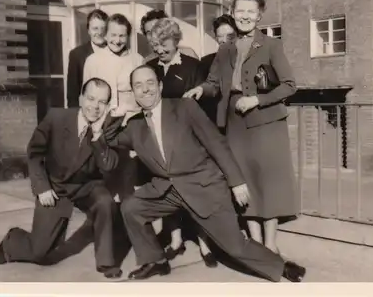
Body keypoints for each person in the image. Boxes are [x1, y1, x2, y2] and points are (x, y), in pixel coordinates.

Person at [103, 65, 305, 282]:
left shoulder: (184, 107)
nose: (145, 90)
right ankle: (155, 261)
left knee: (234, 247)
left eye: (150, 83)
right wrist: (117, 114)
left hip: (204, 185)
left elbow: (216, 143)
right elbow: (111, 138)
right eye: (138, 86)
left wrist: (236, 182)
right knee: (131, 207)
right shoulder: (135, 126)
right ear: (132, 92)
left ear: (160, 86)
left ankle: (280, 265)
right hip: (168, 189)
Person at [184, 0, 299, 255]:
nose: (245, 16)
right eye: (240, 10)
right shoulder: (225, 49)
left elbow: (290, 85)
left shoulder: (271, 45)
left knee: (269, 185)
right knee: (243, 182)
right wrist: (202, 89)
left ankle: (270, 244)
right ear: (232, 12)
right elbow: (214, 82)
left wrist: (257, 100)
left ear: (259, 15)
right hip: (235, 124)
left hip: (267, 124)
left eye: (251, 11)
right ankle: (256, 244)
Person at [0, 78, 123, 279]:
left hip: (87, 186)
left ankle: (107, 262)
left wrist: (98, 136)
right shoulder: (56, 117)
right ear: (80, 99)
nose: (95, 107)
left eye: (102, 102)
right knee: (41, 253)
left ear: (107, 105)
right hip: (55, 187)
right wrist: (42, 187)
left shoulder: (109, 127)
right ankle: (13, 241)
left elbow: (109, 165)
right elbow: (34, 152)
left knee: (105, 202)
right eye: (91, 99)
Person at [144, 17, 216, 267]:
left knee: (195, 193)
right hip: (162, 141)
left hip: (189, 142)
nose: (160, 50)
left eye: (165, 44)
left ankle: (205, 243)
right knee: (168, 190)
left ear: (176, 42)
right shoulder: (149, 67)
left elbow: (206, 106)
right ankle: (176, 241)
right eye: (155, 44)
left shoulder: (193, 67)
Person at [83, 13, 144, 201]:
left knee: (128, 180)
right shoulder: (93, 60)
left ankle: (128, 224)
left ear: (128, 36)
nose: (117, 40)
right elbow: (86, 97)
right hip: (103, 127)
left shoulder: (137, 60)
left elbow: (142, 95)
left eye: (122, 36)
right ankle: (108, 223)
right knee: (106, 180)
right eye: (113, 35)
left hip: (130, 127)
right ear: (106, 35)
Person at [67, 9, 109, 108]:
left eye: (103, 29)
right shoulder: (77, 55)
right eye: (95, 28)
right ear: (88, 30)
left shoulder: (115, 52)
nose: (100, 33)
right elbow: (72, 93)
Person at [199, 14, 236, 123]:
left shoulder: (245, 59)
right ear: (215, 37)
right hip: (217, 121)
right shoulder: (206, 62)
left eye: (229, 35)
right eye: (220, 36)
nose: (224, 40)